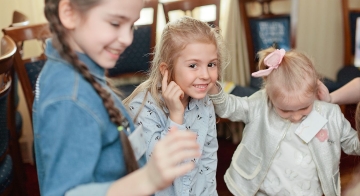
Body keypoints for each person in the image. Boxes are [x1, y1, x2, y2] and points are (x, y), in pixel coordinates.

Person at [33, 0, 201, 195]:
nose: (128, 39)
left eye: (131, 25)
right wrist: (148, 178)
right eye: (115, 23)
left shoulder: (80, 72)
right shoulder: (70, 99)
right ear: (69, 13)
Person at [208, 47, 360, 196]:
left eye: (304, 108)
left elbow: (353, 144)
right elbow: (230, 107)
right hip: (264, 189)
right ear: (269, 94)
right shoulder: (261, 104)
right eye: (285, 110)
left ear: (316, 90)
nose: (295, 117)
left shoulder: (330, 114)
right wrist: (214, 88)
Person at [123, 16, 229, 196]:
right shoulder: (142, 109)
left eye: (211, 64)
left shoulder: (204, 102)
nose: (205, 75)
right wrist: (175, 117)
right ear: (166, 70)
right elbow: (156, 167)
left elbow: (208, 160)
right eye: (193, 65)